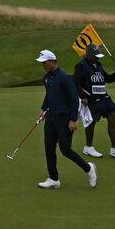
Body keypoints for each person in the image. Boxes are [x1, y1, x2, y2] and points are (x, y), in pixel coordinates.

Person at [34, 49, 95, 190]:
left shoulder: (65, 78)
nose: (43, 65)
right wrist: (44, 108)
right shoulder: (47, 78)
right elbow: (49, 95)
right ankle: (53, 179)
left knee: (65, 149)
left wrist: (73, 120)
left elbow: (75, 99)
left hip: (65, 118)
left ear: (52, 62)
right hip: (51, 118)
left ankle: (88, 168)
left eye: (44, 63)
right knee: (49, 148)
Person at [73, 45, 115, 160]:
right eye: (96, 56)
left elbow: (107, 78)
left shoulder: (98, 65)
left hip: (104, 98)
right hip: (91, 99)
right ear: (89, 55)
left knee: (112, 118)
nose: (98, 58)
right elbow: (76, 84)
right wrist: (83, 96)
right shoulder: (81, 66)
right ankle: (88, 147)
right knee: (92, 123)